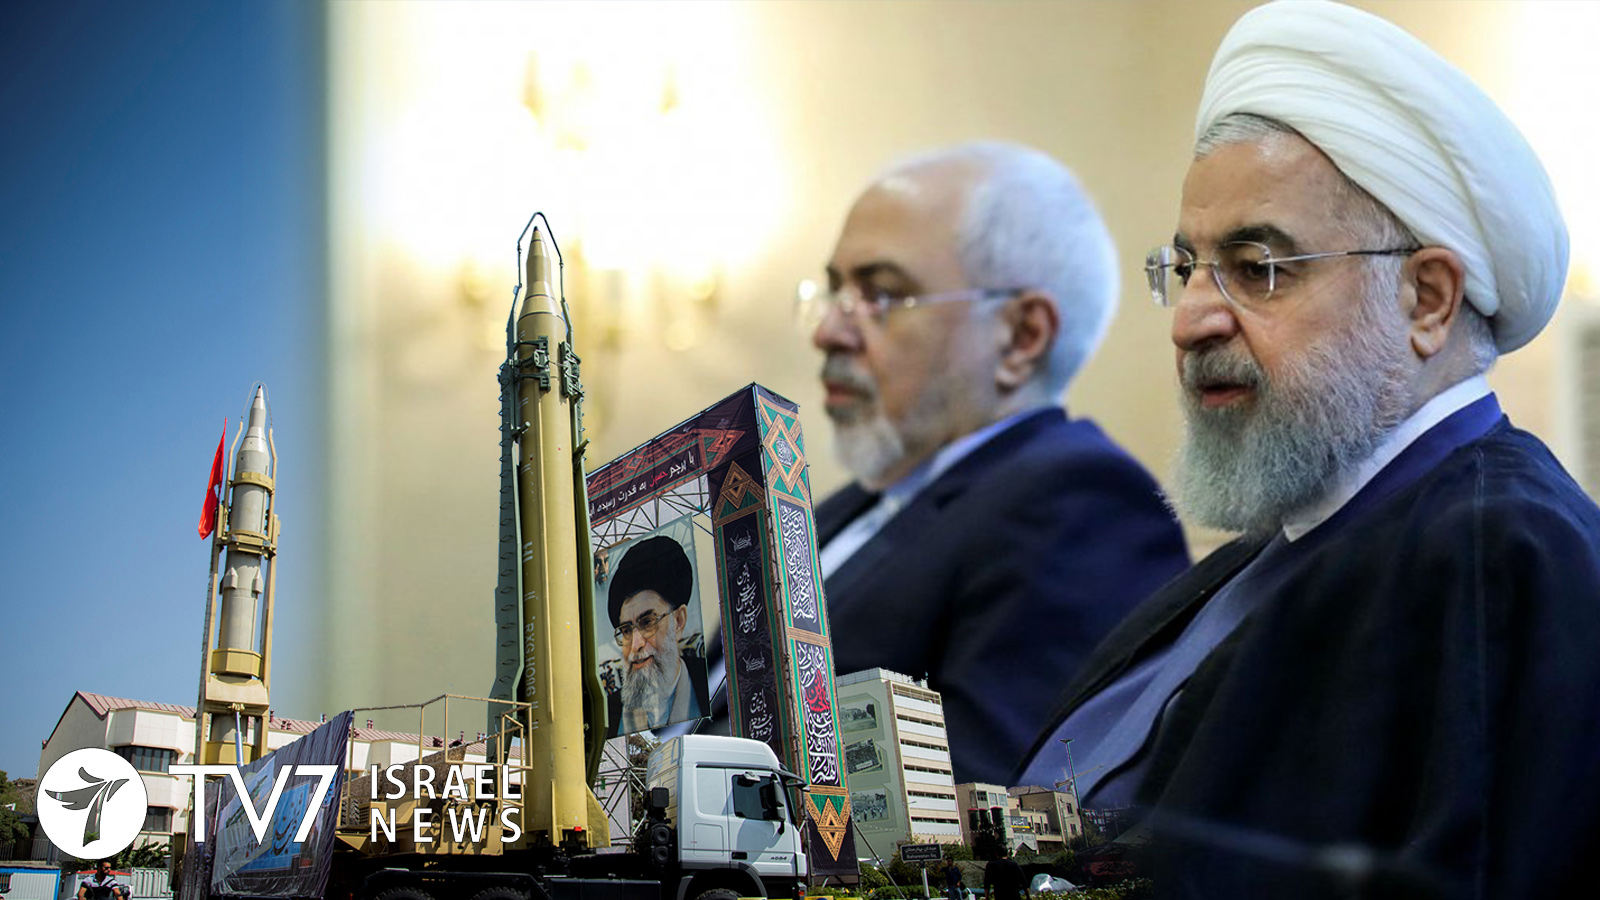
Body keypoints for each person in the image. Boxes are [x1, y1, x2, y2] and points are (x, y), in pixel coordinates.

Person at [1016, 3, 1600, 897]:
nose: (1191, 319)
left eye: (1258, 269)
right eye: (1187, 267)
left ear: (1427, 300)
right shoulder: (1288, 537)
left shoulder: (1499, 552)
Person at [804, 141, 1190, 784]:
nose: (828, 331)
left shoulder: (1079, 506)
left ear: (1020, 337)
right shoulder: (855, 502)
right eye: (834, 290)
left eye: (882, 295)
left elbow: (980, 803)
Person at [605, 535, 710, 736]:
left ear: (678, 621)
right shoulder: (608, 713)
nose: (635, 644)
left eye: (647, 622)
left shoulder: (712, 684)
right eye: (626, 630)